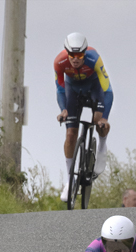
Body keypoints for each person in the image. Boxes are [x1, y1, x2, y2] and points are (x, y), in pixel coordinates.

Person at [55, 33, 113, 202]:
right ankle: (69, 180)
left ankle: (102, 146)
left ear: (85, 53)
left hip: (94, 87)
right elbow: (59, 89)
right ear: (67, 53)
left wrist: (105, 118)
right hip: (72, 90)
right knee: (71, 134)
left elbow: (108, 90)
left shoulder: (94, 59)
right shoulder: (59, 62)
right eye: (71, 55)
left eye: (79, 55)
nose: (75, 59)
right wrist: (63, 109)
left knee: (98, 121)